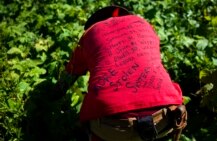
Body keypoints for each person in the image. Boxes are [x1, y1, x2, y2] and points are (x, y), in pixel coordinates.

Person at [53, 5, 187, 141]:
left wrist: (52, 96)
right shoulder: (145, 25)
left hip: (111, 127)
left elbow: (70, 74)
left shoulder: (89, 34)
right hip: (165, 118)